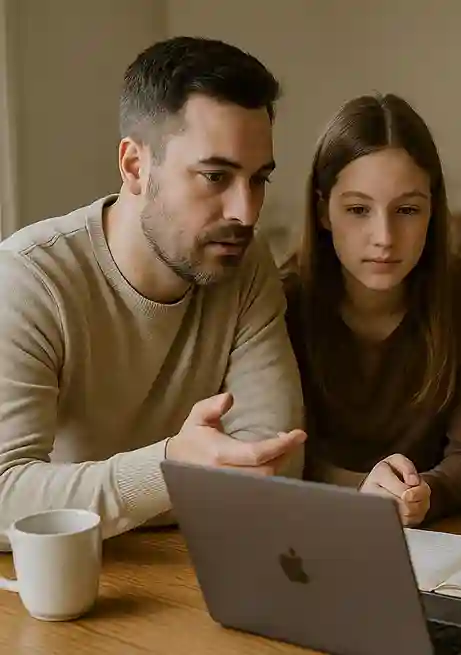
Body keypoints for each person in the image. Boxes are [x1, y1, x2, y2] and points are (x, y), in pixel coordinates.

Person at [0, 36, 307, 549]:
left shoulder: (244, 263)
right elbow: (4, 497)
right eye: (215, 176)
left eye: (258, 180)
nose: (245, 212)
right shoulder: (29, 279)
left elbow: (270, 464)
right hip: (75, 578)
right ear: (135, 166)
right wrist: (169, 466)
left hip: (194, 563)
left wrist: (118, 494)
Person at [284, 93, 461, 526]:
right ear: (323, 211)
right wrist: (361, 491)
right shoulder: (283, 303)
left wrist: (422, 494)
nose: (384, 237)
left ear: (432, 210)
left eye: (406, 210)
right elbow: (278, 451)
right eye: (358, 210)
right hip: (312, 527)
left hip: (433, 533)